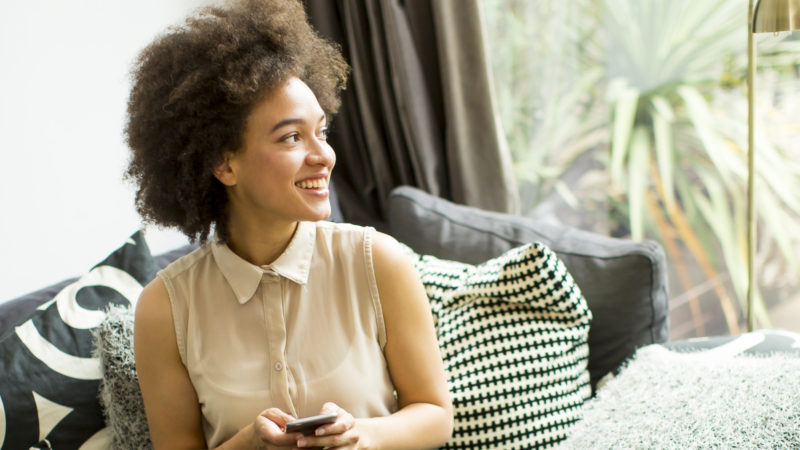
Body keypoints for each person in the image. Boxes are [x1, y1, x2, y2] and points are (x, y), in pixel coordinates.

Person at [126, 0, 453, 448]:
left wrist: (361, 436)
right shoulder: (165, 309)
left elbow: (435, 415)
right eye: (292, 137)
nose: (323, 156)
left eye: (322, 131)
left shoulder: (379, 262)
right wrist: (249, 444)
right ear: (224, 164)